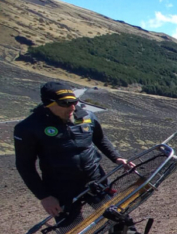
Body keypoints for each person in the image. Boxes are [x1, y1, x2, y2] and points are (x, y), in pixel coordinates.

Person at [14, 82, 134, 218]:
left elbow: (100, 139)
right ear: (48, 104)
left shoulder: (87, 117)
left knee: (120, 219)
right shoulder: (29, 127)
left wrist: (116, 158)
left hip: (96, 180)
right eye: (64, 103)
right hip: (60, 190)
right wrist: (44, 196)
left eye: (74, 102)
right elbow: (25, 165)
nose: (71, 107)